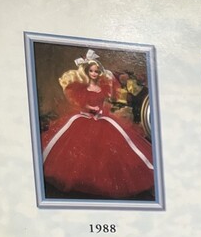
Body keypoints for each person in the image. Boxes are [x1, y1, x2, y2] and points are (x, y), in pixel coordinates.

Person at [39, 49, 155, 199]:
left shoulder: (103, 88)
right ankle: (83, 181)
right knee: (79, 147)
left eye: (96, 71)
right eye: (91, 71)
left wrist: (98, 109)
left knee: (117, 144)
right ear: (87, 72)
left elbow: (103, 102)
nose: (94, 73)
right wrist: (90, 108)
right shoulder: (82, 88)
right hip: (85, 117)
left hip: (101, 117)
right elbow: (82, 103)